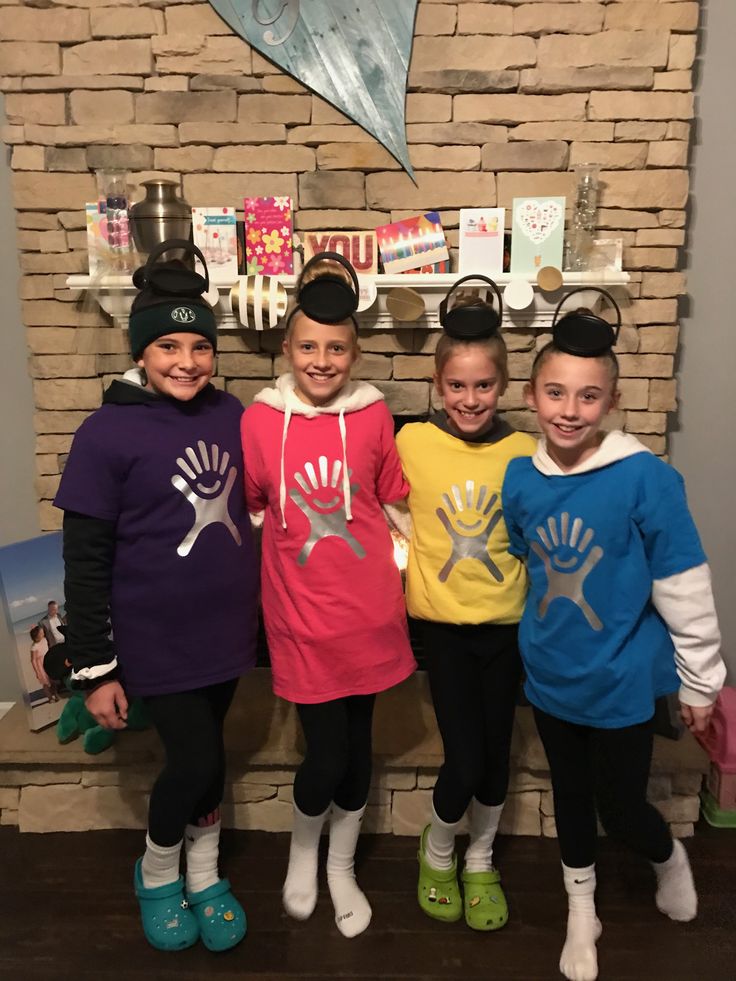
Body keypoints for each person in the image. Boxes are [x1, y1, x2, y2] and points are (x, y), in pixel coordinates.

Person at [501, 294, 726, 981]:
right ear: (534, 394)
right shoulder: (520, 478)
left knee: (621, 803)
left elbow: (683, 581)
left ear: (613, 400)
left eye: (589, 395)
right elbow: (524, 556)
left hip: (623, 676)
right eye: (556, 392)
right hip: (550, 672)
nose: (570, 410)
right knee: (568, 795)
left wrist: (701, 679)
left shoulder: (647, 479)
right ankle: (580, 907)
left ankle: (667, 856)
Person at [53, 240, 259, 954]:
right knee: (195, 762)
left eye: (200, 344)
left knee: (212, 757)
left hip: (227, 634)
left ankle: (205, 873)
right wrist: (95, 666)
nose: (186, 360)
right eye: (167, 344)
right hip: (156, 640)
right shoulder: (104, 433)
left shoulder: (232, 413)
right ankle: (159, 869)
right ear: (141, 351)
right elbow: (84, 557)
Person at [241, 252, 416, 938]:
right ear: (287, 349)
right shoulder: (260, 422)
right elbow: (256, 505)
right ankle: (303, 852)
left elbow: (396, 498)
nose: (321, 360)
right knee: (326, 754)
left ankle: (341, 864)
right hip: (302, 622)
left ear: (356, 351)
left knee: (359, 747)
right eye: (308, 346)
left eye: (336, 347)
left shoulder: (375, 418)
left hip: (369, 616)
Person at [393, 278, 536, 931]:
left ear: (502, 385)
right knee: (465, 760)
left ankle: (480, 860)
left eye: (483, 386)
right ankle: (439, 846)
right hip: (444, 632)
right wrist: (404, 543)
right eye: (457, 385)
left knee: (497, 757)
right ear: (437, 382)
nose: (470, 398)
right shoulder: (412, 443)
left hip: (507, 630)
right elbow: (378, 497)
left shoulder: (524, 452)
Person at [29, 624, 58, 702]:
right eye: (41, 633)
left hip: (48, 661)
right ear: (37, 636)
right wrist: (37, 672)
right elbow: (33, 660)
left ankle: (55, 694)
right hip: (41, 666)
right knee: (46, 683)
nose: (43, 634)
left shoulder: (44, 640)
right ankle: (50, 698)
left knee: (53, 679)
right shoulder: (34, 647)